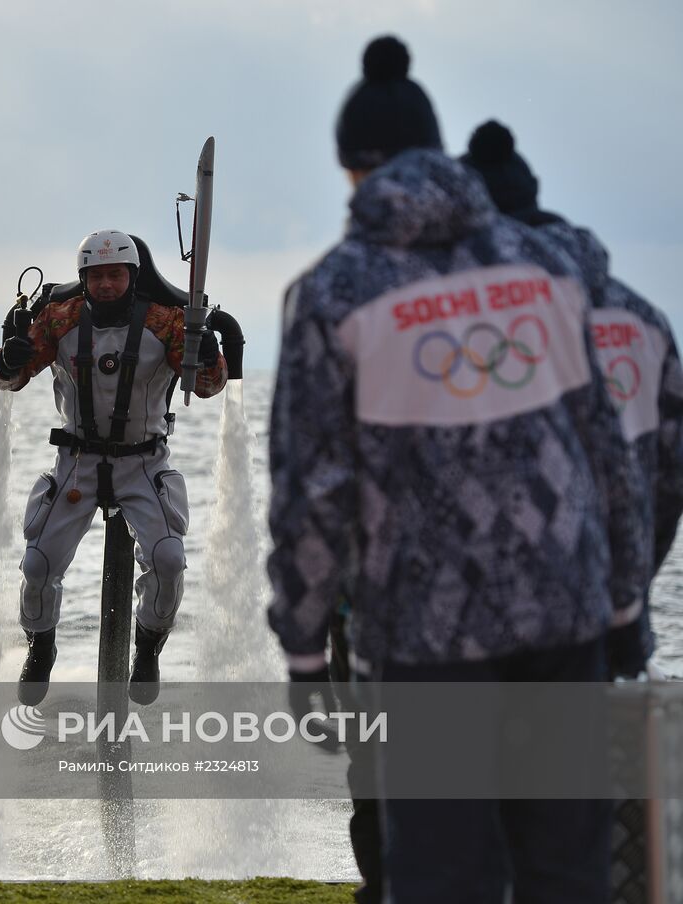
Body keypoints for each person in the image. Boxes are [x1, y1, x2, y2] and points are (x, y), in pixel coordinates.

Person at [265, 36, 649, 904]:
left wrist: (302, 648)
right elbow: (605, 449)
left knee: (443, 875)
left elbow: (312, 493)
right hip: (563, 615)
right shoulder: (544, 266)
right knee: (567, 871)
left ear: (347, 167)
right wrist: (624, 603)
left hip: (424, 639)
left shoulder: (335, 293)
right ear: (439, 153)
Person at [462, 118, 683, 655]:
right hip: (611, 608)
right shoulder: (644, 321)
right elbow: (669, 479)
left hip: (475, 624)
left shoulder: (466, 319)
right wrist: (628, 594)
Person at [0, 229, 234, 706]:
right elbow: (9, 380)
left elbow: (207, 387)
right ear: (83, 278)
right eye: (96, 276)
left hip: (143, 462)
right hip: (77, 462)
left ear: (133, 275)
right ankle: (40, 645)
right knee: (38, 563)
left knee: (167, 559)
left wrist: (209, 358)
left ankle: (148, 647)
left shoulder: (167, 324)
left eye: (115, 275)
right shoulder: (57, 319)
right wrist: (8, 358)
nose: (105, 285)